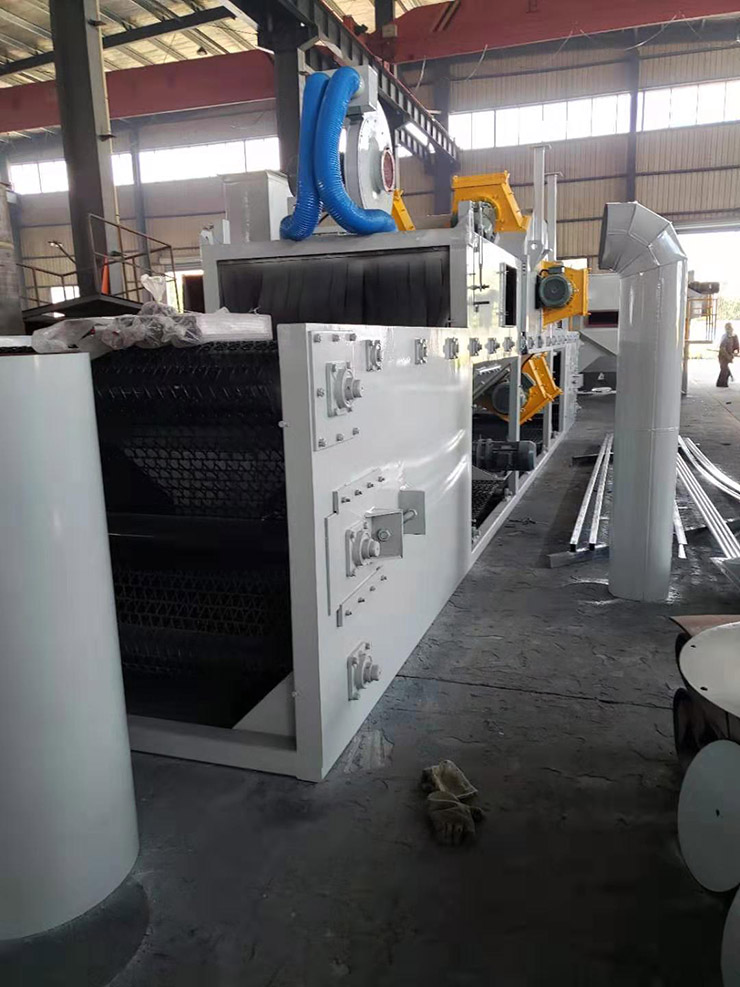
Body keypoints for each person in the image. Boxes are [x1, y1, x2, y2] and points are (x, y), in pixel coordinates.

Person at [718, 322, 740, 388]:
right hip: (723, 356)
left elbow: (736, 347)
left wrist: (735, 353)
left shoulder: (734, 336)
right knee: (724, 370)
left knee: (724, 369)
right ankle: (722, 384)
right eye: (727, 328)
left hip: (729, 355)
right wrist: (728, 356)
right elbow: (722, 348)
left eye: (730, 328)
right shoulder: (725, 337)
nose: (729, 329)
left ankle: (721, 383)